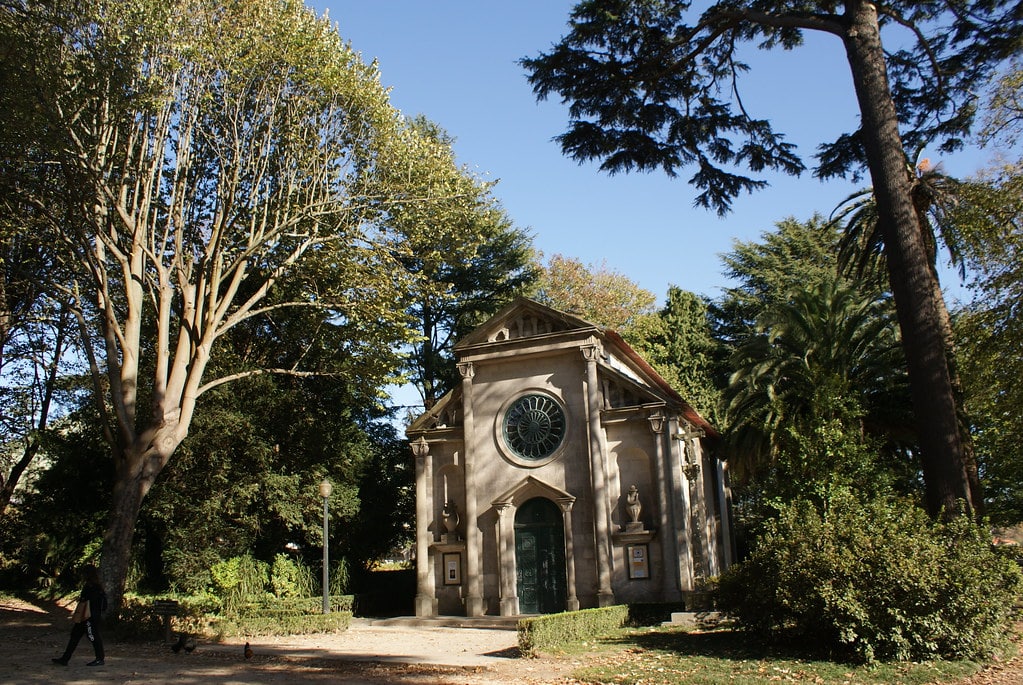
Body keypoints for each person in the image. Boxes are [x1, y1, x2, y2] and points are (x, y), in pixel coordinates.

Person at [52, 564, 107, 666]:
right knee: (75, 636)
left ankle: (100, 658)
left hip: (89, 616)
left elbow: (89, 600)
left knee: (93, 636)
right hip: (86, 615)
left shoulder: (92, 587)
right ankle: (65, 658)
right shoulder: (95, 586)